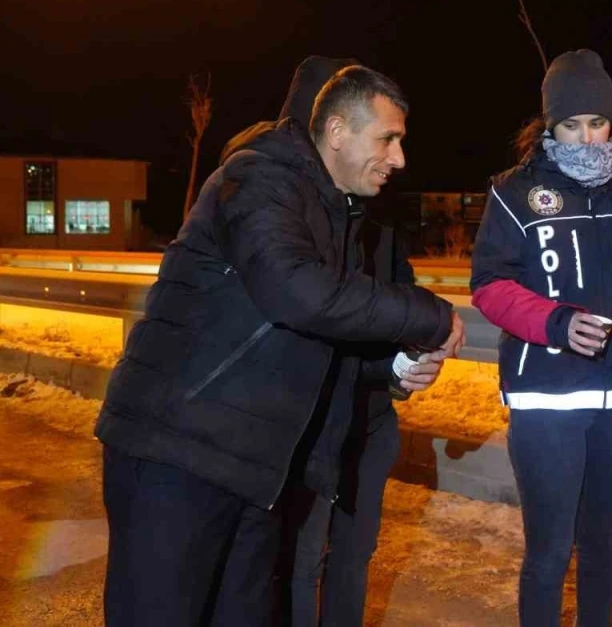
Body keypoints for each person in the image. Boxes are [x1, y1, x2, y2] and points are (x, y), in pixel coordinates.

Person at [94, 61, 464, 626]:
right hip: (177, 451)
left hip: (254, 466)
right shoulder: (258, 177)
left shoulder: (338, 212)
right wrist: (429, 315)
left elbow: (319, 338)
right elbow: (297, 292)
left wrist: (390, 368)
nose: (399, 158)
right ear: (337, 131)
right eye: (387, 139)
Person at [469, 48, 612, 627]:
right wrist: (555, 322)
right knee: (548, 552)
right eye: (572, 125)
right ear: (550, 126)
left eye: (597, 122)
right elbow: (489, 286)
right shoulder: (514, 192)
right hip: (547, 402)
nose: (588, 138)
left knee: (603, 547)